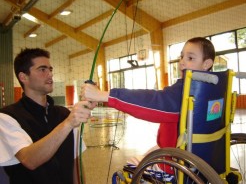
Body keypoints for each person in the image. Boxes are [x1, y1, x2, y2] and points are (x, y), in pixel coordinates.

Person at [81, 37, 215, 164]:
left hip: (175, 166)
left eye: (190, 58)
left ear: (206, 64)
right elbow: (172, 139)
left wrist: (103, 95)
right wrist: (147, 155)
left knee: (120, 176)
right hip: (201, 160)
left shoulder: (187, 91)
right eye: (182, 56)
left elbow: (152, 101)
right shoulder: (213, 89)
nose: (182, 62)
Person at [0, 48, 96, 184]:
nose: (50, 74)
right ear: (23, 77)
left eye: (50, 70)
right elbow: (29, 160)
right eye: (42, 69)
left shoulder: (64, 114)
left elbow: (75, 162)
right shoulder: (7, 117)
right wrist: (68, 124)